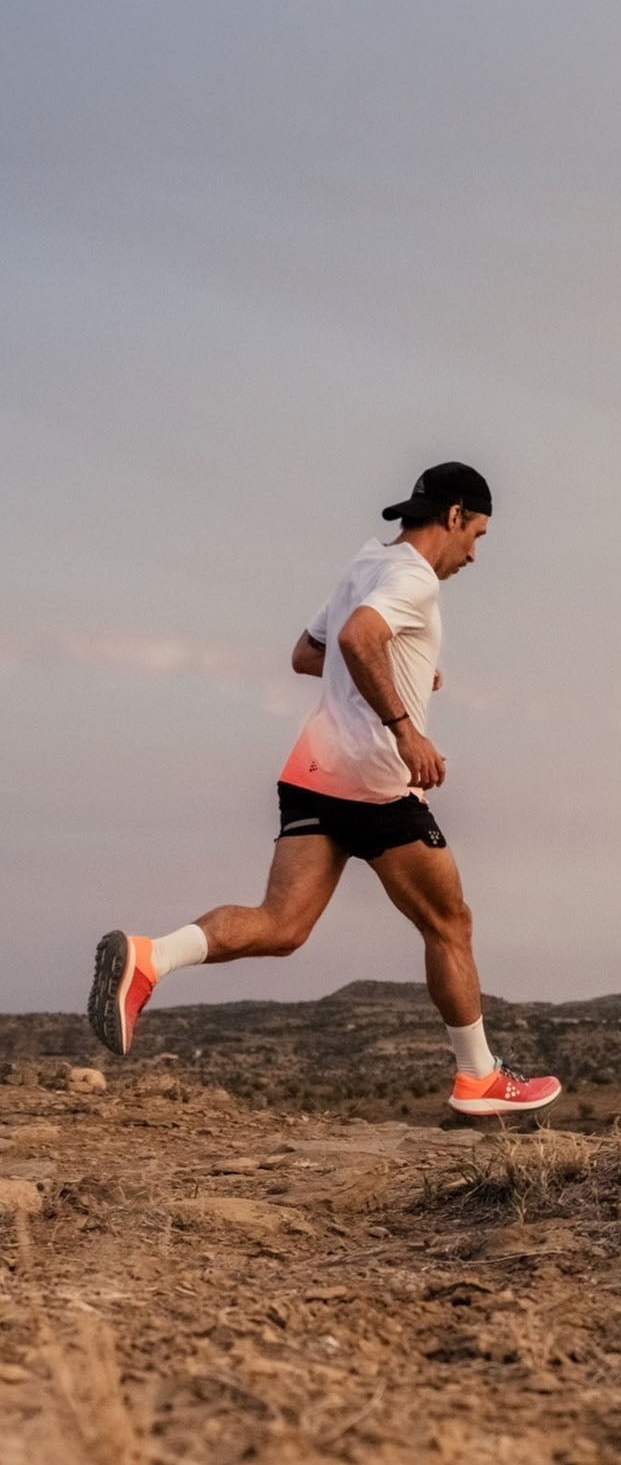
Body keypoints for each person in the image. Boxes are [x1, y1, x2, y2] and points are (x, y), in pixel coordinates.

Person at [88, 463, 561, 1117]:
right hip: (375, 782)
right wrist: (404, 729)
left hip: (313, 771)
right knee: (449, 922)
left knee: (282, 926)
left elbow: (307, 654)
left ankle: (149, 957)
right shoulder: (412, 578)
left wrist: (402, 672)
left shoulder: (364, 565)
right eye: (476, 534)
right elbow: (355, 638)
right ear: (453, 516)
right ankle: (478, 1076)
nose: (475, 553)